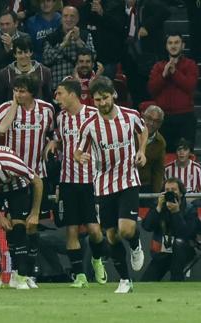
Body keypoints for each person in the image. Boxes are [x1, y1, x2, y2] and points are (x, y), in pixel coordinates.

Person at [74, 76, 147, 293]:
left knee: (126, 230)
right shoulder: (89, 126)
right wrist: (81, 158)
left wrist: (141, 151)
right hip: (104, 184)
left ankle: (135, 244)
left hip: (128, 179)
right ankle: (125, 281)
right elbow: (78, 151)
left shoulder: (131, 116)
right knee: (111, 235)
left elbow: (143, 131)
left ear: (113, 94)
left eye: (105, 98)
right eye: (97, 100)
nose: (102, 103)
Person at [0, 75, 55, 286]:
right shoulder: (4, 109)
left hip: (36, 175)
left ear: (32, 93)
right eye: (16, 90)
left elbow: (53, 133)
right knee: (5, 226)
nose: (18, 94)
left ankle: (28, 272)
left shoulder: (47, 110)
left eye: (23, 91)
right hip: (8, 175)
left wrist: (52, 142)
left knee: (31, 226)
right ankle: (0, 274)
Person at [47, 79, 108, 288]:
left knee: (94, 230)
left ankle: (97, 259)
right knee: (71, 230)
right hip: (67, 182)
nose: (57, 98)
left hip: (91, 182)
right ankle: (79, 275)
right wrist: (55, 141)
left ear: (73, 94)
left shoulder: (93, 114)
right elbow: (60, 138)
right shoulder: (61, 118)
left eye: (60, 93)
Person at [0, 145, 43, 290]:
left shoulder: (13, 164)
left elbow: (38, 182)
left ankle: (20, 276)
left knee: (18, 225)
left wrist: (35, 213)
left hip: (17, 187)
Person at [148, 34, 198, 153]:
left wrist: (174, 72)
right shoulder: (158, 66)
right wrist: (164, 75)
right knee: (162, 157)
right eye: (170, 43)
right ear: (166, 46)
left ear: (183, 45)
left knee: (185, 157)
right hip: (163, 119)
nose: (173, 46)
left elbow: (190, 86)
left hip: (185, 118)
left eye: (176, 42)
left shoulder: (190, 65)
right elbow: (151, 89)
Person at [141, 177, 199, 281]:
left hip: (184, 252)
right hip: (163, 254)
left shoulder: (190, 209)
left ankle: (176, 281)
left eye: (173, 190)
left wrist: (176, 212)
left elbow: (185, 234)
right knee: (146, 281)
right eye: (167, 190)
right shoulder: (159, 207)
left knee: (179, 242)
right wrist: (158, 208)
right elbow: (146, 227)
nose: (170, 193)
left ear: (181, 193)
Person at [42, 6, 96, 92]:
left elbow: (93, 57)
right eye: (65, 16)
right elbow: (46, 59)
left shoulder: (85, 35)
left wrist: (79, 41)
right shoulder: (52, 37)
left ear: (77, 19)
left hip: (82, 87)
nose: (69, 19)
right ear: (61, 18)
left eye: (72, 16)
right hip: (58, 87)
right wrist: (63, 45)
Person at [0, 36, 53, 103]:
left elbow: (48, 99)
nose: (23, 56)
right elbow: (2, 100)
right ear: (15, 54)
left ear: (31, 52)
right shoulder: (5, 74)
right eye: (20, 53)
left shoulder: (44, 72)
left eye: (26, 52)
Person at [0, 9, 29, 74]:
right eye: (2, 24)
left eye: (7, 24)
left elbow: (25, 62)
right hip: (0, 76)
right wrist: (8, 52)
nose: (4, 27)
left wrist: (11, 48)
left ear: (16, 23)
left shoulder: (25, 38)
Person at [138, 105, 166, 194]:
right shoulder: (129, 133)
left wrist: (156, 194)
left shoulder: (161, 142)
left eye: (156, 121)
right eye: (149, 118)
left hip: (145, 184)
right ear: (142, 116)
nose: (151, 123)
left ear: (161, 124)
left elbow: (158, 170)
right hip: (125, 183)